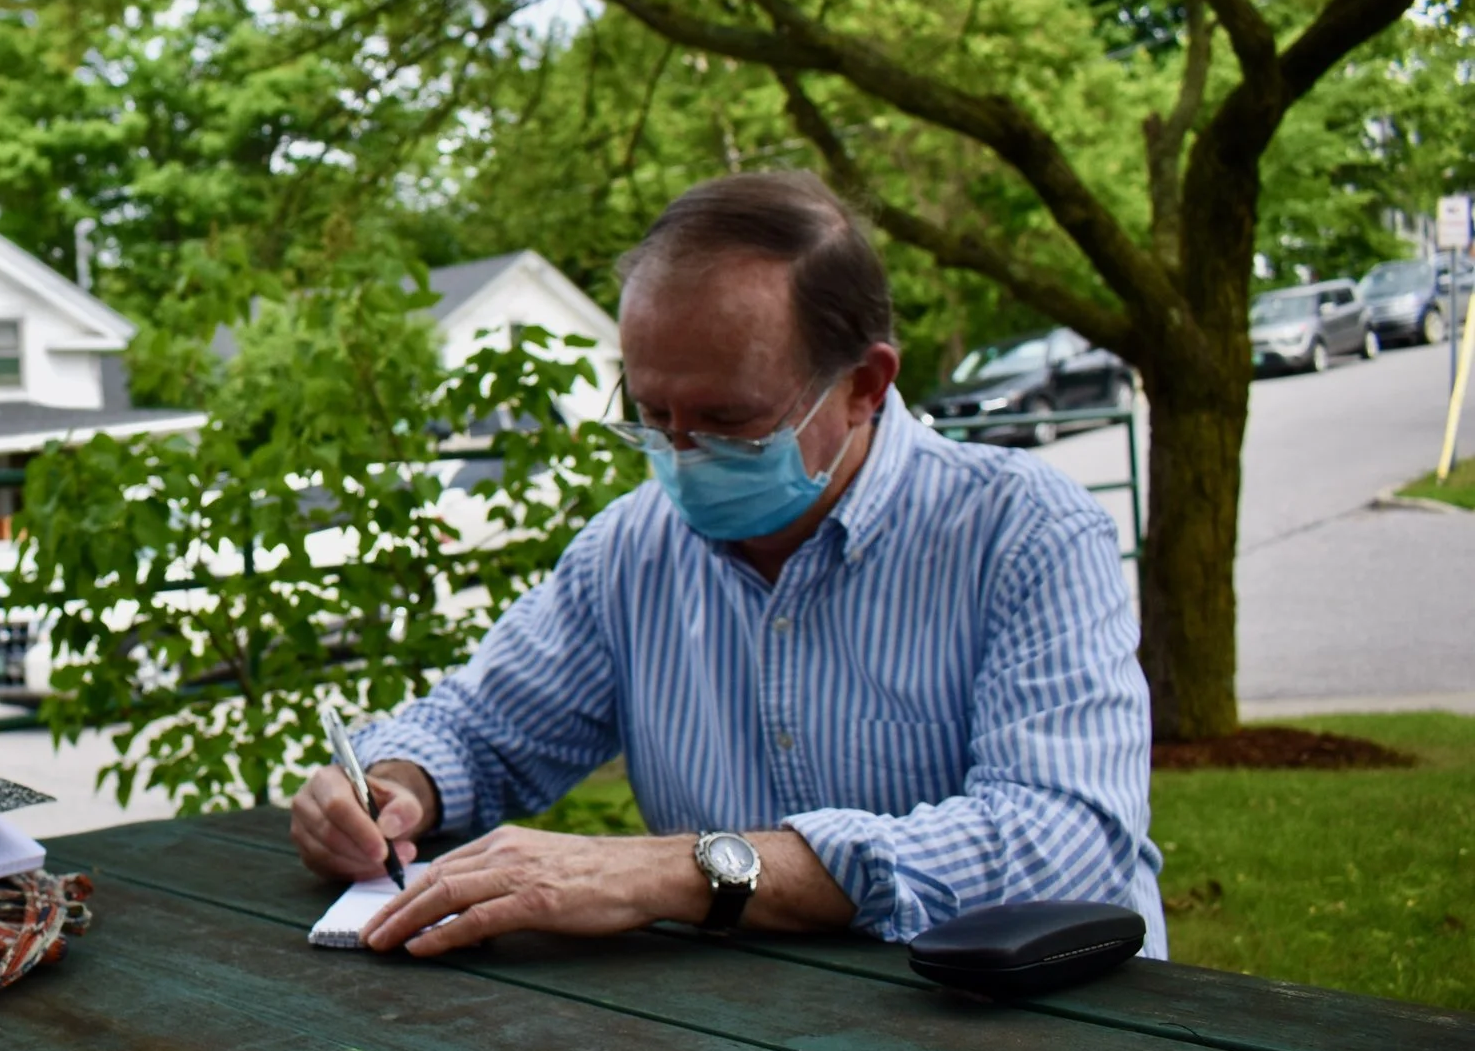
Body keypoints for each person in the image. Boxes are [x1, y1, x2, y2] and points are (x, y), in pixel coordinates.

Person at [290, 171, 1165, 958]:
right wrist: (393, 785)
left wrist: (689, 871)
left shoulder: (1025, 532)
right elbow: (479, 730)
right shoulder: (630, 550)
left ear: (865, 384)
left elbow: (1063, 839)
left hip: (1041, 1049)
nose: (680, 453)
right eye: (651, 411)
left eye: (727, 419)